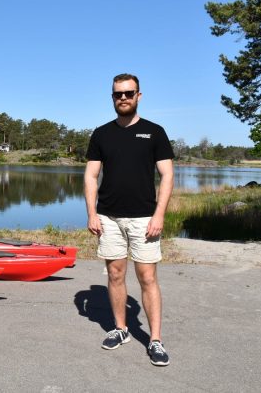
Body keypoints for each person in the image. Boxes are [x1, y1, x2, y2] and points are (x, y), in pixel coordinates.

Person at [84, 73, 174, 367]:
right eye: (117, 94)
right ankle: (121, 329)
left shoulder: (155, 132)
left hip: (145, 218)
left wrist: (159, 214)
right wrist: (91, 212)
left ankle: (155, 340)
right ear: (112, 97)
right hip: (109, 218)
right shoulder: (101, 134)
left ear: (139, 96)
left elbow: (167, 175)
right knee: (115, 275)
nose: (123, 98)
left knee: (147, 278)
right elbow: (91, 175)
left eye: (128, 93)